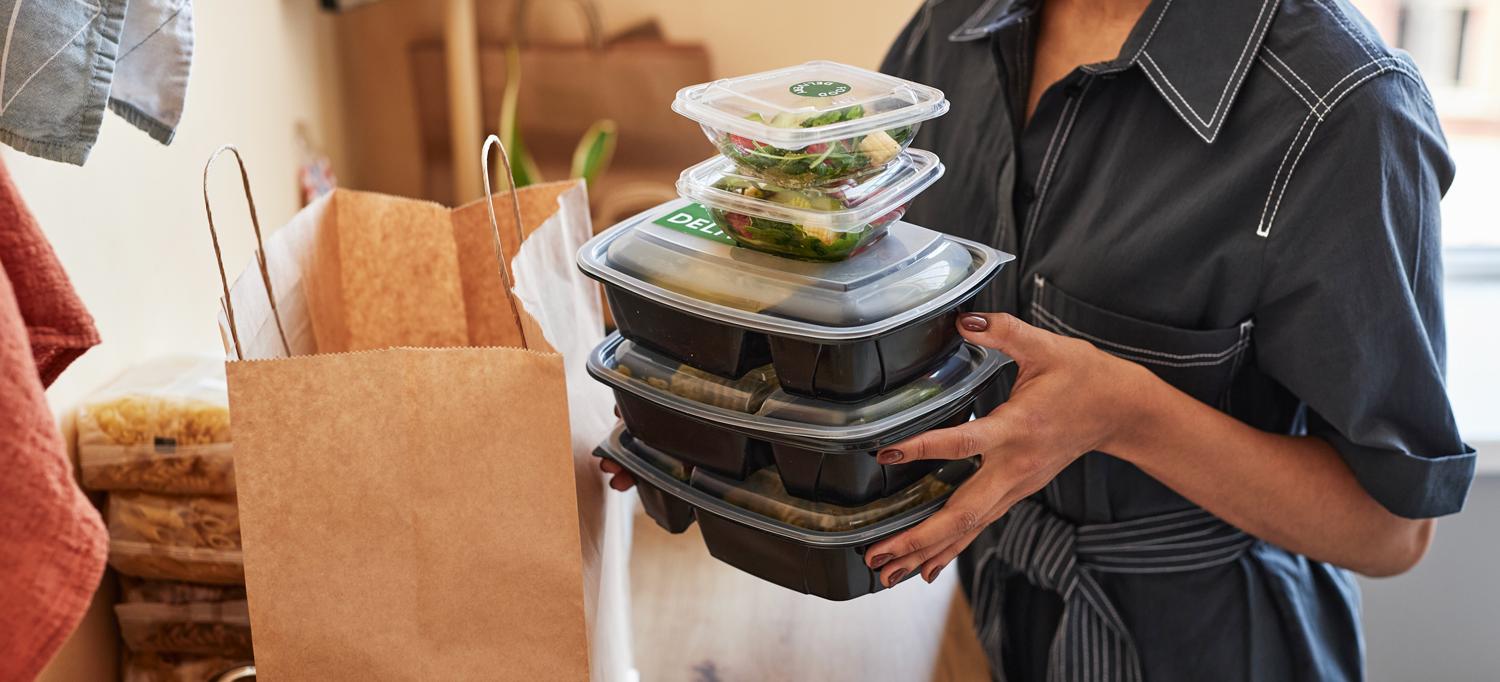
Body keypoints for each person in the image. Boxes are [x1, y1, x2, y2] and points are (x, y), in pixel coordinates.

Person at [602, 0, 1477, 678]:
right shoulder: (960, 27)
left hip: (1212, 648)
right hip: (981, 617)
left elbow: (1391, 531)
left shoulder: (1345, 113)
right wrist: (691, 403)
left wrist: (1128, 415)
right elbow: (867, 267)